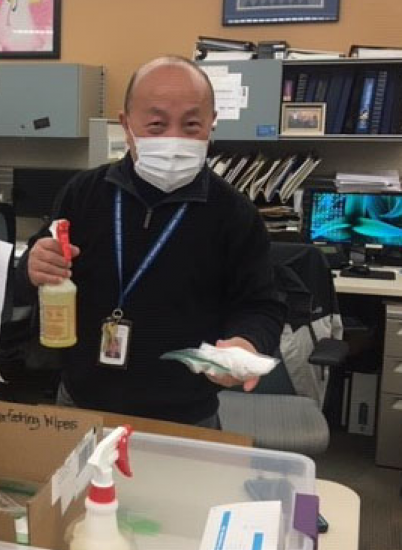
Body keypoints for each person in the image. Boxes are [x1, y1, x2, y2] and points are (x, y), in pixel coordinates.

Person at [15, 56, 286, 428]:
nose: (174, 138)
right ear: (126, 125)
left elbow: (262, 306)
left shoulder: (234, 213)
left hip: (186, 414)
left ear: (211, 124)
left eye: (191, 125)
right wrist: (33, 267)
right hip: (82, 404)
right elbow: (35, 274)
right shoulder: (83, 194)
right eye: (156, 124)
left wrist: (247, 343)